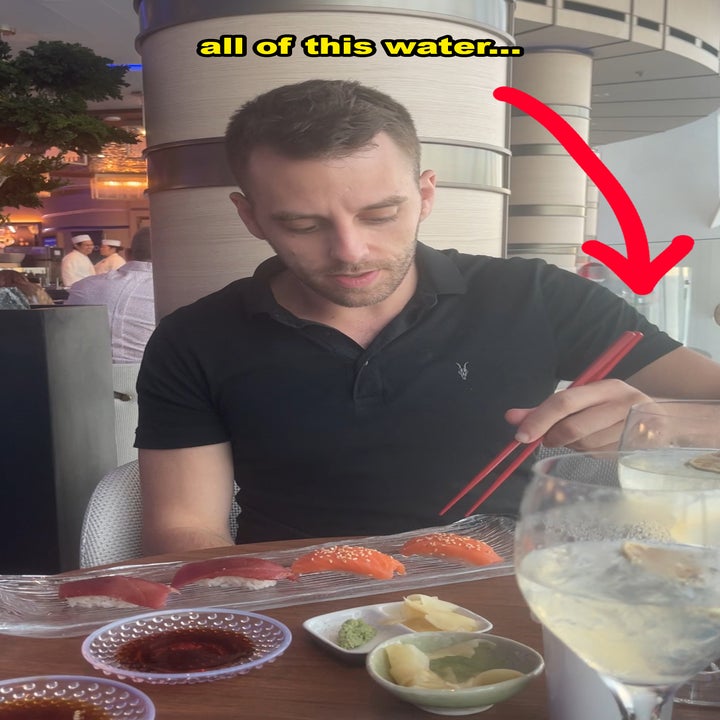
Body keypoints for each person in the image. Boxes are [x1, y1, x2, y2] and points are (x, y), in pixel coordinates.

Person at [135, 79, 720, 554]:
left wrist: (661, 428)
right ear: (251, 217)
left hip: (501, 591)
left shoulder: (534, 295)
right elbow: (186, 533)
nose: (351, 251)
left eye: (381, 213)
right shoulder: (195, 339)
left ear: (426, 195)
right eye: (303, 225)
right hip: (300, 601)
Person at [66, 227, 154, 363]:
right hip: (151, 379)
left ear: (128, 255)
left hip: (84, 378)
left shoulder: (82, 287)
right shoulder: (171, 291)